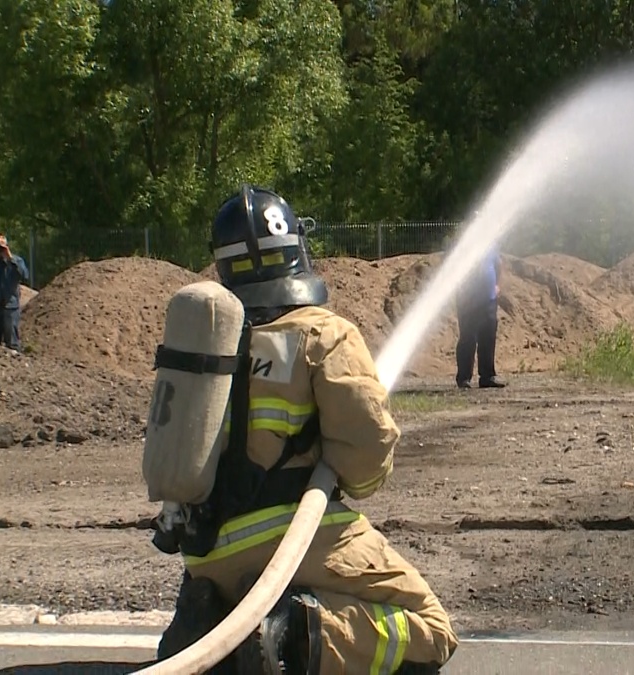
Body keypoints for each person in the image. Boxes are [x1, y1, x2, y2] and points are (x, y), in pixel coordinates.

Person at [154, 185, 457, 674]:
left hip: (205, 559)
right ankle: (294, 635)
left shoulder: (207, 345)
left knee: (236, 596)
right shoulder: (322, 332)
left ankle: (208, 621)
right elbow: (365, 457)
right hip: (293, 543)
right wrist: (354, 480)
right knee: (429, 628)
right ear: (295, 248)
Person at [454, 247, 505, 389]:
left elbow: (499, 264)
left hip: (489, 301)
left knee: (488, 337)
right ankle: (464, 378)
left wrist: (497, 285)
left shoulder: (490, 248)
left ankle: (487, 376)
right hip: (468, 302)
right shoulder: (464, 248)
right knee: (468, 338)